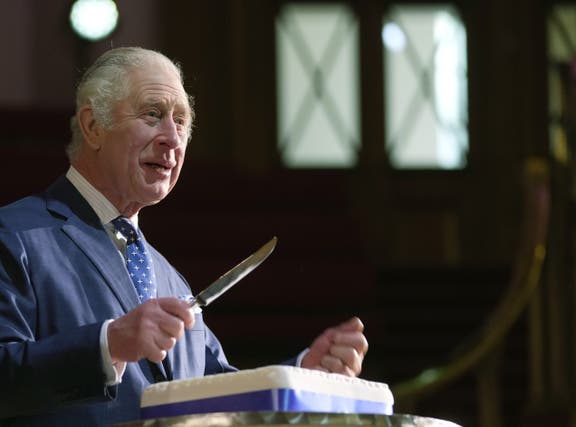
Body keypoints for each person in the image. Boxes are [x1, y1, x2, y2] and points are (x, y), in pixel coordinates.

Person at [0, 47, 368, 427]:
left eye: (181, 122)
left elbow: (214, 396)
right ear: (94, 126)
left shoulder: (169, 278)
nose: (172, 140)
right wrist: (108, 345)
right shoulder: (14, 236)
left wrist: (300, 377)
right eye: (153, 115)